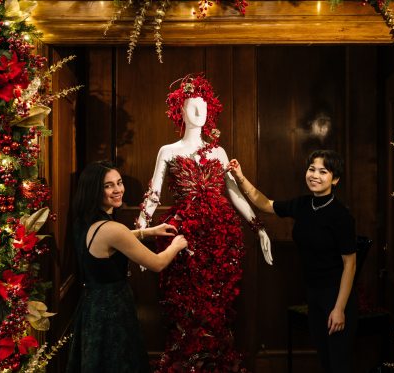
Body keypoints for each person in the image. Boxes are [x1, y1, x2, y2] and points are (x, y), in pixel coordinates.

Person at [136, 74, 273, 372]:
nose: (200, 113)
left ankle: (215, 365)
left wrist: (258, 227)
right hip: (184, 237)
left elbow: (234, 194)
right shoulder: (168, 151)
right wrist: (140, 237)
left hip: (222, 240)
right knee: (187, 309)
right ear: (180, 112)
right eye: (192, 107)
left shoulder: (218, 151)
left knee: (219, 310)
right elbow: (153, 195)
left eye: (204, 107)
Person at [228, 150, 358, 373]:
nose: (314, 175)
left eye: (323, 171)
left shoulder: (341, 216)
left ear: (335, 179)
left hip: (336, 295)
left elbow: (350, 265)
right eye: (311, 169)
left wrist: (339, 309)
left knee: (338, 364)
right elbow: (265, 204)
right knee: (325, 360)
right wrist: (240, 177)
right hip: (313, 292)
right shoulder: (304, 204)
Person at [66, 160, 188, 373]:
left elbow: (109, 240)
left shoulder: (83, 222)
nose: (118, 190)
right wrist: (177, 246)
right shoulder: (113, 229)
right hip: (114, 310)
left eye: (119, 182)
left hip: (91, 307)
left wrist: (148, 232)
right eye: (108, 185)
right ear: (95, 190)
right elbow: (158, 263)